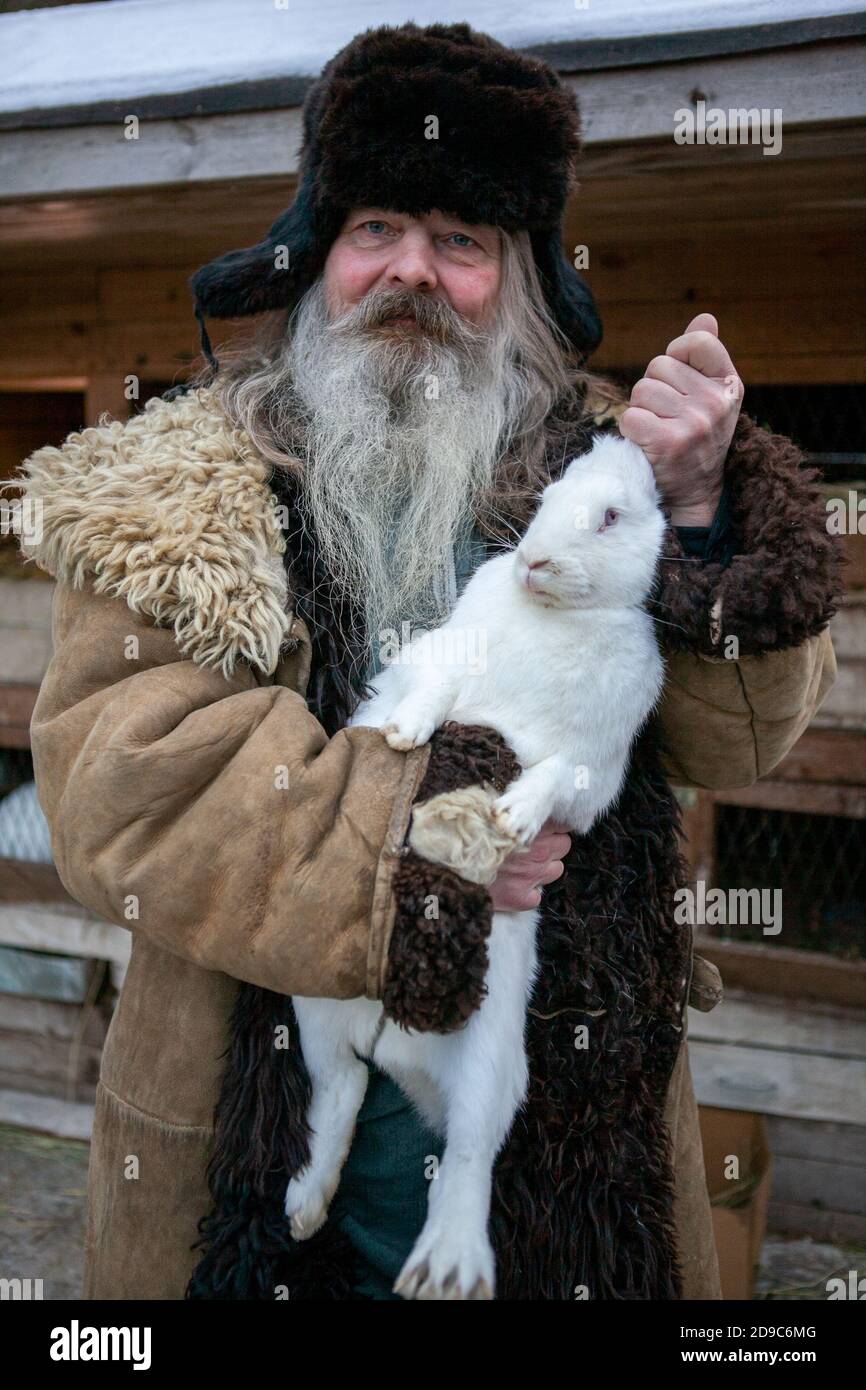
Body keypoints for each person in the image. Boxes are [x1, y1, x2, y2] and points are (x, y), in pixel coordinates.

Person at [11, 22, 841, 1300]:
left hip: (570, 1159)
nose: (411, 270)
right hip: (267, 1151)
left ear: (514, 283)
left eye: (460, 242)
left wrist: (694, 516)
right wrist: (440, 839)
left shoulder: (596, 481)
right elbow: (125, 788)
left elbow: (738, 740)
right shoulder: (168, 492)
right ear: (315, 259)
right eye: (376, 227)